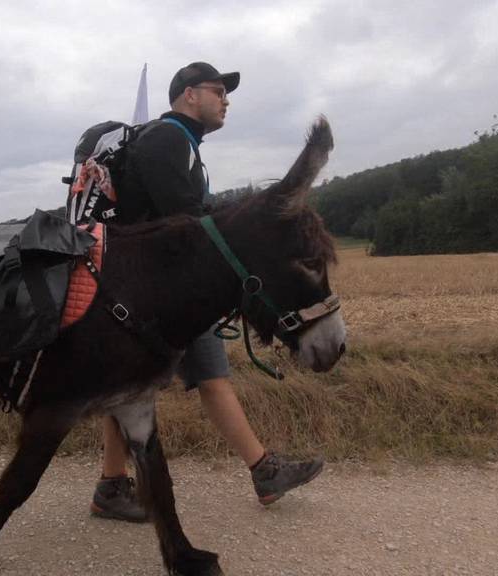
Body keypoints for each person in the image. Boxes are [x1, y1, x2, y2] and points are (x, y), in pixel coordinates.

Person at [89, 62, 325, 523]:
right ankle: (114, 485)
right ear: (189, 94)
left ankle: (261, 472)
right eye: (218, 92)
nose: (226, 101)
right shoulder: (167, 139)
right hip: (160, 294)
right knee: (130, 389)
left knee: (186, 381)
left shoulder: (184, 145)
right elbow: (185, 220)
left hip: (174, 288)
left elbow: (191, 216)